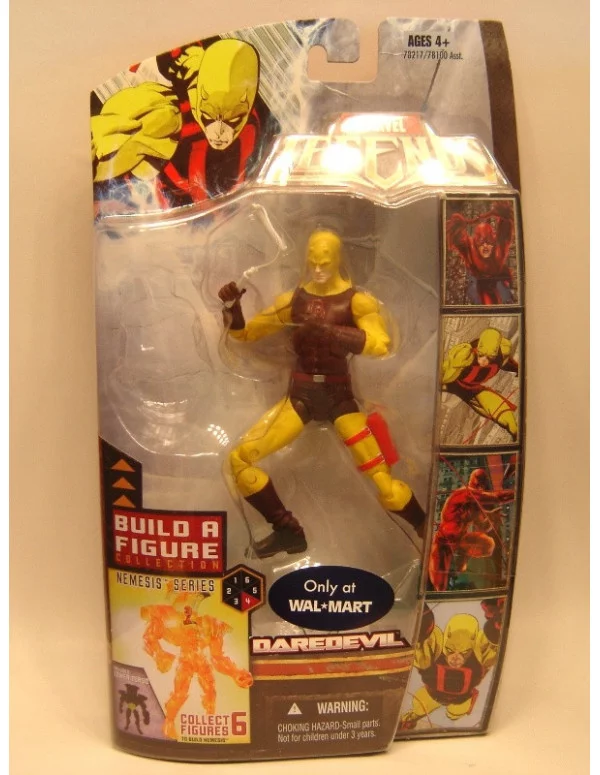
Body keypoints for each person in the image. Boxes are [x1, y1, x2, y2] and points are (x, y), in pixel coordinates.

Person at [218, 229, 426, 559]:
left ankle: (427, 529)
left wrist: (334, 333)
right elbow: (244, 334)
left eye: (324, 264)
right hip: (300, 396)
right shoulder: (292, 302)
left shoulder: (357, 302)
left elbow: (381, 344)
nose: (317, 269)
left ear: (338, 260)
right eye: (312, 263)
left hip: (340, 399)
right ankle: (287, 530)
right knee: (238, 460)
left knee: (385, 484)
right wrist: (233, 308)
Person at [92, 39, 277, 208]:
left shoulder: (256, 124)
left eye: (233, 119)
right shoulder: (165, 116)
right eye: (209, 115)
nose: (219, 132)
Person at [141, 587, 252, 740]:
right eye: (184, 598)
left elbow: (217, 657)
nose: (189, 606)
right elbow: (149, 637)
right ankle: (169, 722)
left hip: (201, 662)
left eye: (194, 598)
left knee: (210, 692)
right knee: (180, 693)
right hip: (185, 661)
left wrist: (235, 673)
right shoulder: (168, 620)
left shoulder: (211, 624)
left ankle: (210, 722)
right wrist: (159, 655)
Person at [429, 468, 514, 591]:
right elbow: (497, 497)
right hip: (443, 543)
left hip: (459, 544)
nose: (479, 486)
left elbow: (483, 526)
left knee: (488, 545)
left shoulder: (475, 507)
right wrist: (517, 493)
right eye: (477, 481)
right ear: (472, 480)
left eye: (482, 483)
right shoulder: (464, 494)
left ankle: (459, 571)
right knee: (439, 585)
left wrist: (492, 518)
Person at [442, 327, 519, 441]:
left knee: (500, 409)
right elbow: (445, 370)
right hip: (453, 383)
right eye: (481, 355)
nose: (483, 361)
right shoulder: (466, 355)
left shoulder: (499, 358)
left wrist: (518, 369)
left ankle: (514, 430)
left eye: (489, 357)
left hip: (473, 389)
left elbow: (507, 364)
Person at [446, 200, 515, 304]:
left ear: (493, 241)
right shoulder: (470, 248)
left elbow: (506, 221)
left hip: (499, 279)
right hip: (480, 284)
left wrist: (496, 212)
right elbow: (456, 234)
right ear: (476, 243)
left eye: (489, 241)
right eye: (481, 242)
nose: (485, 246)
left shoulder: (498, 249)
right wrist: (462, 222)